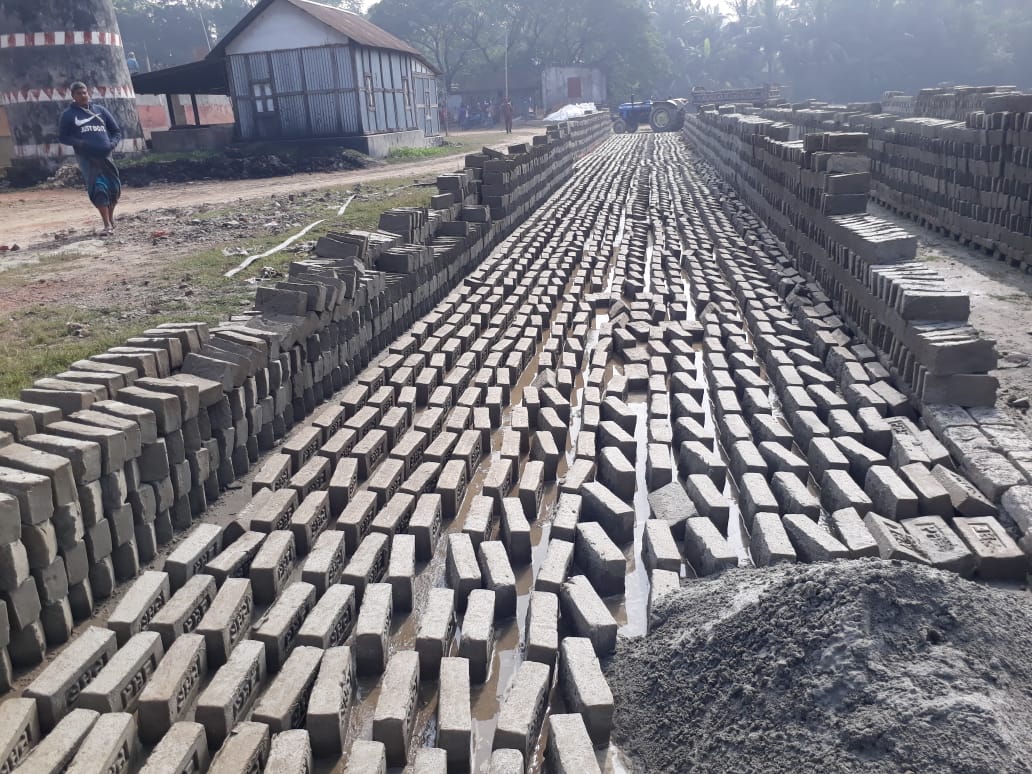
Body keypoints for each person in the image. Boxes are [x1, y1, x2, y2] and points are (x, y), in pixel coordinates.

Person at [58, 82, 122, 235]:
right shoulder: (69, 115)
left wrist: (112, 144)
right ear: (73, 96)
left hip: (106, 156)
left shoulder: (100, 110)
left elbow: (116, 131)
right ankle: (106, 224)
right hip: (87, 158)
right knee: (98, 188)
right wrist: (81, 143)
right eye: (78, 93)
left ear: (88, 93)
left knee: (114, 188)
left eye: (84, 92)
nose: (82, 96)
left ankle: (111, 219)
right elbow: (63, 137)